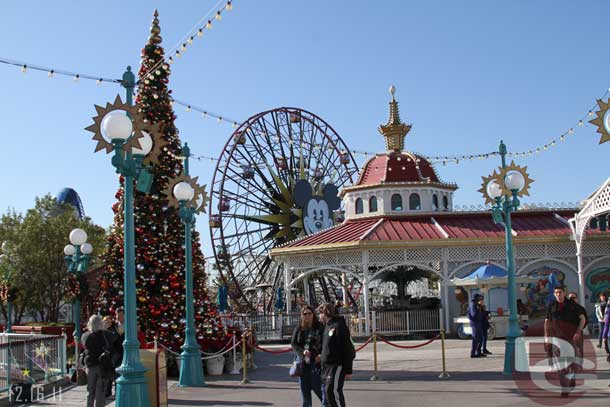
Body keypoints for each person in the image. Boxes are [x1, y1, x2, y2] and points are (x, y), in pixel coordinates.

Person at [544, 286, 587, 398]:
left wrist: (578, 332)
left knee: (572, 363)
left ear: (564, 293)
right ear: (554, 294)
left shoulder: (573, 305)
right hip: (557, 339)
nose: (558, 294)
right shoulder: (551, 306)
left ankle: (572, 377)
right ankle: (565, 388)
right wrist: (546, 335)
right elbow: (547, 321)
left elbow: (583, 319)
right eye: (556, 292)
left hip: (571, 338)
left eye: (560, 292)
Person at [318, 302, 354, 407]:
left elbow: (348, 349)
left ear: (324, 313)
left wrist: (348, 369)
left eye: (319, 314)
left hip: (336, 365)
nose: (318, 316)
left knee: (332, 391)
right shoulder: (327, 327)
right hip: (326, 366)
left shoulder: (338, 326)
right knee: (328, 392)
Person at [291, 305, 325, 407]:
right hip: (303, 364)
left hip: (316, 363)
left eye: (309, 313)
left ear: (313, 314)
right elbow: (294, 343)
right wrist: (302, 352)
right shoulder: (299, 327)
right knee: (305, 394)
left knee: (320, 391)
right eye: (305, 314)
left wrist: (321, 355)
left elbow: (325, 344)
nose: (307, 316)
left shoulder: (320, 327)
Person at [81, 314, 117, 407]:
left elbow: (85, 349)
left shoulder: (85, 336)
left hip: (90, 365)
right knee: (101, 391)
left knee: (90, 391)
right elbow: (113, 344)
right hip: (102, 366)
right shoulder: (106, 335)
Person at [468, 294, 486, 358]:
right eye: (479, 298)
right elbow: (473, 315)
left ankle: (478, 352)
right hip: (475, 324)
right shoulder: (472, 304)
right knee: (475, 338)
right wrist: (478, 309)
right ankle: (473, 353)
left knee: (480, 338)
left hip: (478, 323)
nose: (480, 299)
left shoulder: (477, 304)